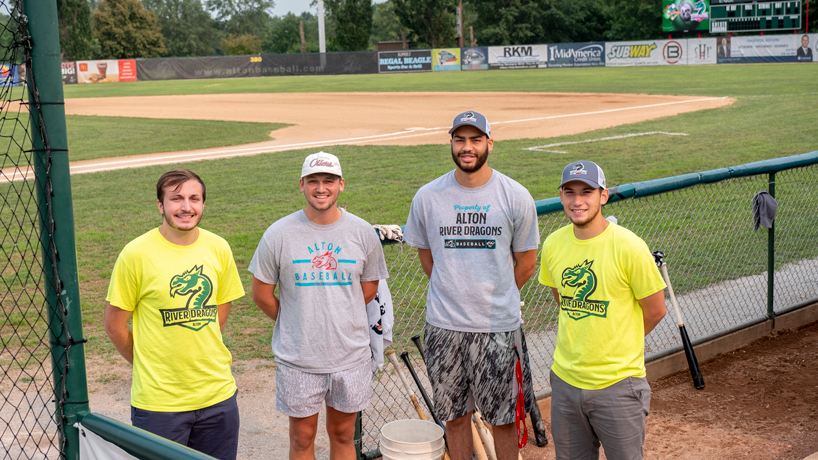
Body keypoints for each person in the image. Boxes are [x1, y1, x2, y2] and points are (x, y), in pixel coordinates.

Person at [404, 111, 540, 460]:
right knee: (454, 418)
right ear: (451, 143)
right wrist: (455, 289)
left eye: (475, 139)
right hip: (444, 328)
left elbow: (526, 263)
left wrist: (497, 293)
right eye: (460, 140)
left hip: (497, 328)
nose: (467, 147)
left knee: (504, 420)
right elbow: (427, 258)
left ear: (489, 144)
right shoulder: (428, 196)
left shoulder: (514, 195)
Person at [249, 151, 388, 460]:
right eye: (313, 181)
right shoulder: (279, 233)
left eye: (328, 181)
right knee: (302, 438)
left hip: (349, 355)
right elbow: (261, 293)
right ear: (302, 184)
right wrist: (293, 319)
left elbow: (368, 288)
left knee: (342, 435)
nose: (321, 188)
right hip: (299, 357)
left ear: (341, 185)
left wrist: (340, 312)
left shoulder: (362, 232)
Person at [105, 169, 245, 460]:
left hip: (218, 395)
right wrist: (147, 363)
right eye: (176, 198)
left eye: (194, 198)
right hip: (160, 404)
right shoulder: (136, 254)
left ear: (203, 204)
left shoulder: (218, 247)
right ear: (160, 205)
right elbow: (114, 325)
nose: (186, 207)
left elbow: (221, 305)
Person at [538, 160, 668, 460]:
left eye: (587, 192)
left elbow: (656, 310)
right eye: (570, 192)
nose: (577, 201)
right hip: (565, 381)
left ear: (603, 196)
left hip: (618, 385)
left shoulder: (629, 247)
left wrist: (619, 337)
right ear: (560, 196)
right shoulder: (554, 245)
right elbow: (563, 299)